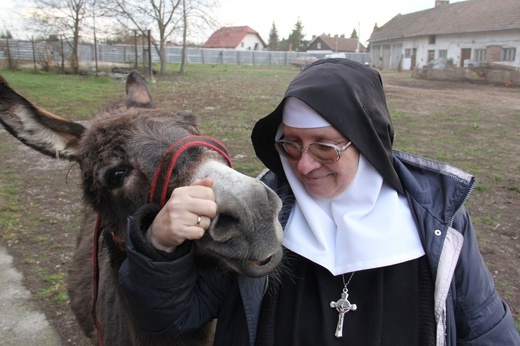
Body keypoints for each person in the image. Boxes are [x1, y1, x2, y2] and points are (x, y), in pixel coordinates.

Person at [119, 59, 520, 345]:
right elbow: (171, 317)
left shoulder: (439, 220)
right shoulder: (259, 211)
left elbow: (486, 331)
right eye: (290, 144)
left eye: (325, 147)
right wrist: (159, 247)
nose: (304, 165)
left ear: (367, 142)